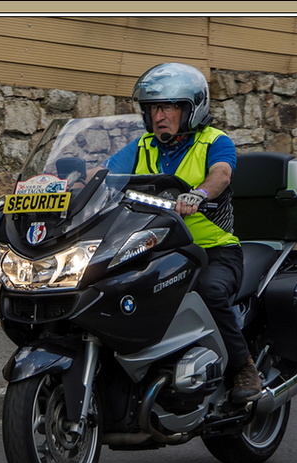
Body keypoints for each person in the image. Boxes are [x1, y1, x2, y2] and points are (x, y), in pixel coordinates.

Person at [102, 63, 261, 404]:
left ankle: (243, 367)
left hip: (211, 251)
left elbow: (221, 174)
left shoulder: (213, 142)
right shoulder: (141, 148)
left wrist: (199, 194)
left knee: (210, 290)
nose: (160, 116)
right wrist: (66, 188)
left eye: (169, 106)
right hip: (154, 249)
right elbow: (103, 176)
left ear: (191, 108)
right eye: (154, 108)